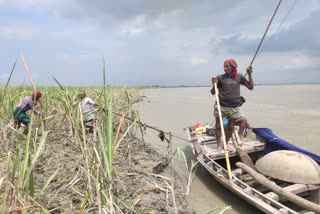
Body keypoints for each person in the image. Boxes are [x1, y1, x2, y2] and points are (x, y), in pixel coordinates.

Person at [211, 59, 254, 150]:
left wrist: (249, 74)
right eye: (224, 66)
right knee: (218, 126)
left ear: (233, 67)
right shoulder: (220, 78)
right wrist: (214, 84)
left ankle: (225, 144)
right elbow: (213, 92)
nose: (225, 68)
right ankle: (218, 145)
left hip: (234, 107)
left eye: (227, 66)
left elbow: (250, 87)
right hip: (221, 106)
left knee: (231, 126)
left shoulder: (239, 77)